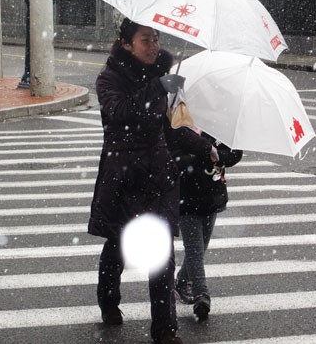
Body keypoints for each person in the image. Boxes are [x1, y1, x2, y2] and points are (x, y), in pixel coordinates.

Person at [88, 18, 186, 344]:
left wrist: (203, 148)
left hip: (157, 174)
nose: (154, 46)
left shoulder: (161, 76)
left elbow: (167, 128)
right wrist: (157, 89)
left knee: (163, 253)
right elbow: (119, 112)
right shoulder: (109, 78)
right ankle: (108, 300)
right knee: (118, 245)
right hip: (123, 176)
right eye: (146, 40)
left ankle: (165, 329)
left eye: (156, 39)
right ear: (127, 44)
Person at [168, 126, 243, 321]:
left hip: (212, 196)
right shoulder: (179, 124)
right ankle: (202, 294)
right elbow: (173, 159)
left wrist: (216, 156)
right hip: (186, 198)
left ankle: (182, 282)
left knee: (201, 246)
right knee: (194, 250)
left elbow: (235, 154)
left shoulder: (221, 124)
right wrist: (202, 153)